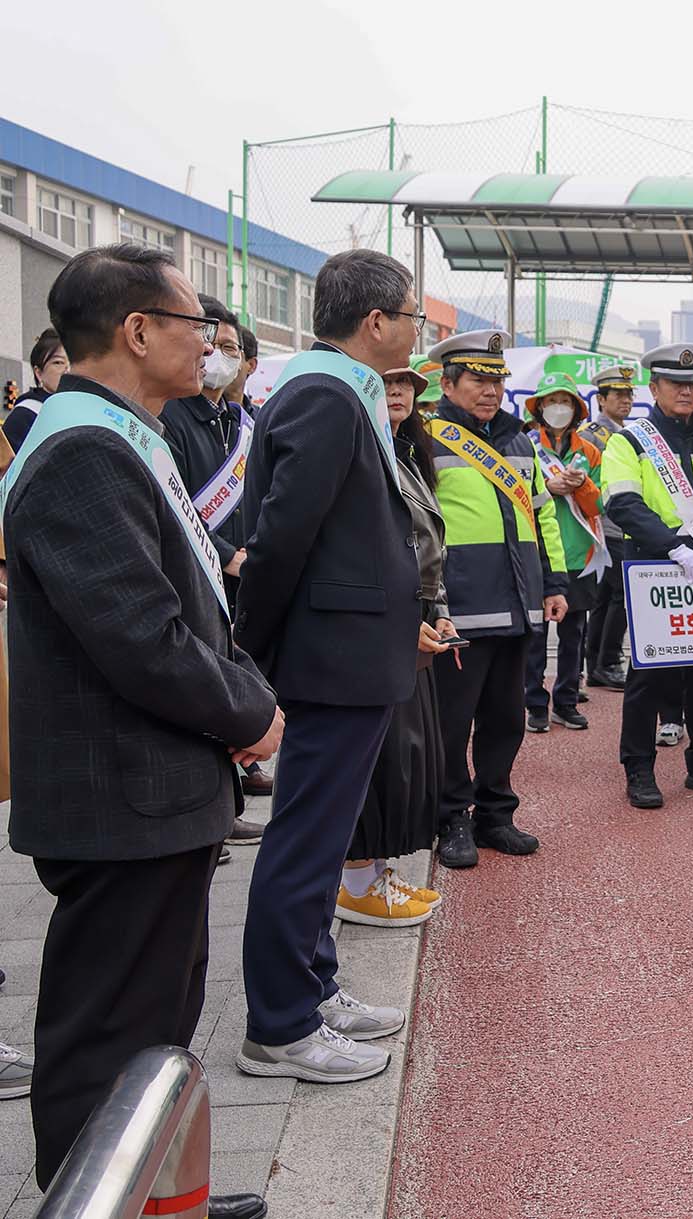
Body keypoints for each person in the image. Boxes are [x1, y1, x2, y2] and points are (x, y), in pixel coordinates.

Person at [6, 243, 279, 1217]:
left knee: (155, 1018)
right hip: (119, 794)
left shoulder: (123, 435)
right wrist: (250, 711)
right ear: (135, 331)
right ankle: (93, 1197)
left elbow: (185, 610)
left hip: (150, 790)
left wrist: (238, 691)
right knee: (110, 1028)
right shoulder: (83, 449)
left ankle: (161, 1191)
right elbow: (141, 637)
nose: (211, 343)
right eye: (196, 324)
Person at [233, 249, 427, 1085]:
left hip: (350, 652)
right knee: (306, 839)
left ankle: (313, 987)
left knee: (324, 832)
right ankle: (280, 1024)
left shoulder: (343, 390)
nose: (417, 329)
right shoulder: (323, 393)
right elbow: (279, 537)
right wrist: (253, 649)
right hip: (330, 656)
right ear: (375, 321)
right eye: (412, 314)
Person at [425, 330, 568, 866]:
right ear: (448, 384)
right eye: (477, 380)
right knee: (451, 721)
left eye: (497, 382)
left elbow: (543, 515)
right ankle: (451, 818)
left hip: (519, 605)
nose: (490, 391)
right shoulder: (427, 438)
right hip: (459, 607)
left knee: (506, 718)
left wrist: (554, 583)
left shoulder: (517, 440)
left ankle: (496, 815)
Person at [602, 343, 693, 806]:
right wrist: (675, 547)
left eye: (692, 384)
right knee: (648, 672)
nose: (686, 392)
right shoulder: (630, 441)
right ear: (655, 388)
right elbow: (622, 502)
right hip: (655, 567)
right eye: (675, 384)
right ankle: (639, 768)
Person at [336, 361, 452, 929]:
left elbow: (428, 549)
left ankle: (379, 870)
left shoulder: (405, 453)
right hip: (380, 621)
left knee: (405, 756)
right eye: (388, 384)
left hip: (414, 615)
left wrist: (440, 610)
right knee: (377, 757)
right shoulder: (363, 454)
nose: (399, 392)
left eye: (406, 384)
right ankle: (357, 882)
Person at [161, 295, 276, 814]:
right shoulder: (173, 417)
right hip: (205, 565)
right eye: (212, 342)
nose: (217, 355)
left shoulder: (236, 421)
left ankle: (232, 787)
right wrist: (228, 553)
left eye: (230, 348)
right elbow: (179, 502)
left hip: (240, 570)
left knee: (233, 667)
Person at [522, 370, 605, 734]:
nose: (559, 407)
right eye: (552, 401)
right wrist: (547, 486)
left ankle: (567, 701)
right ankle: (535, 703)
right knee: (535, 635)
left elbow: (599, 505)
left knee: (574, 635)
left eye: (565, 401)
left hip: (578, 556)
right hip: (538, 553)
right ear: (540, 407)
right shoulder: (524, 445)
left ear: (577, 409)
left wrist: (581, 485)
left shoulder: (590, 451)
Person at [583, 364, 636, 690]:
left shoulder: (625, 432)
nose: (625, 400)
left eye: (629, 394)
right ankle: (609, 660)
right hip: (607, 526)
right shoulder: (592, 434)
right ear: (601, 399)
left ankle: (598, 665)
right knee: (621, 596)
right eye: (618, 394)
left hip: (618, 526)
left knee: (606, 598)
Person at [2, 328, 67, 451]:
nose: (67, 369)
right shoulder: (25, 414)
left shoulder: (81, 409)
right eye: (58, 362)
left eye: (72, 363)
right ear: (39, 373)